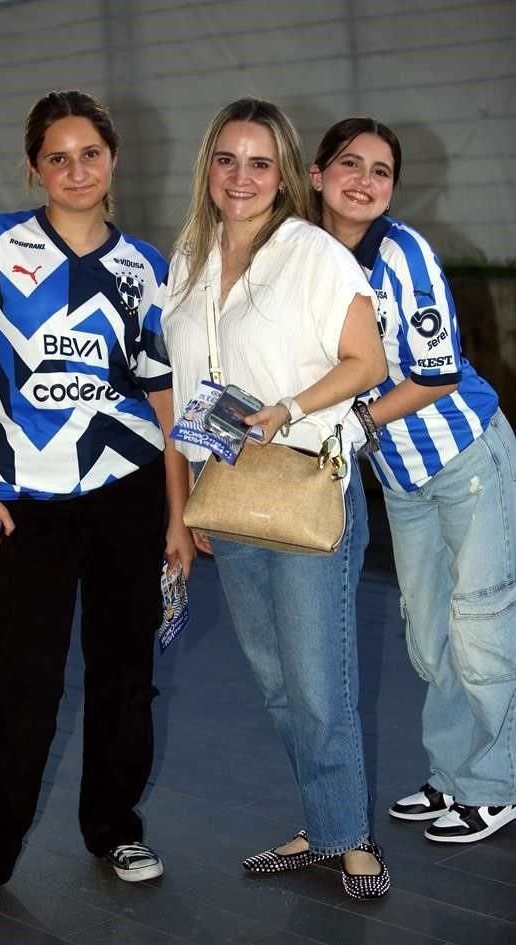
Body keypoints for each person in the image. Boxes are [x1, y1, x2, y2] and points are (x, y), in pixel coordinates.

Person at [0, 89, 195, 913]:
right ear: (33, 166)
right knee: (21, 683)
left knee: (126, 675)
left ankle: (115, 826)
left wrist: (178, 514)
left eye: (90, 153)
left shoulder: (149, 267)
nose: (76, 169)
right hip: (22, 503)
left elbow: (165, 400)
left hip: (128, 493)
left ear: (112, 159)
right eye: (58, 156)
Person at [162, 97, 391, 900]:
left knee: (320, 683)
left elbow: (366, 361)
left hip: (300, 484)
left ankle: (350, 837)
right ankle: (325, 821)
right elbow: (176, 399)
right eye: (228, 158)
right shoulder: (186, 258)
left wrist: (287, 407)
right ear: (209, 167)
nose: (242, 176)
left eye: (261, 162)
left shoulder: (313, 254)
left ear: (286, 173)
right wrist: (184, 506)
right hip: (226, 491)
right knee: (275, 682)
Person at [310, 117, 516, 844]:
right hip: (401, 475)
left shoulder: (404, 254)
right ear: (316, 175)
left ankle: (495, 783)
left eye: (381, 171)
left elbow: (435, 373)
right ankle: (452, 774)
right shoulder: (306, 258)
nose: (364, 181)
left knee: (483, 625)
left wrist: (356, 422)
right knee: (430, 636)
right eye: (349, 164)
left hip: (465, 460)